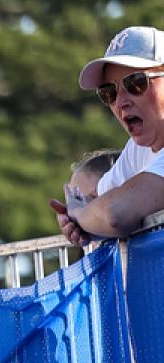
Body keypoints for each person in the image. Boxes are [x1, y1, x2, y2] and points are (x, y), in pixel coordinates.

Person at [61, 26, 164, 241]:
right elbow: (96, 200)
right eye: (109, 92)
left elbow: (115, 214)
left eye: (136, 83)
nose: (120, 101)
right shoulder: (139, 149)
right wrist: (75, 217)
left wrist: (78, 214)